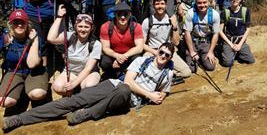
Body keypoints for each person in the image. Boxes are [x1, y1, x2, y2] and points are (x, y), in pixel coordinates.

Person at [2, 43, 175, 132]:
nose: (163, 56)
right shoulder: (142, 60)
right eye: (161, 52)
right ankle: (20, 119)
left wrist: (160, 96)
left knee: (123, 92)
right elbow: (129, 81)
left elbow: (164, 92)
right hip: (114, 86)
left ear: (170, 58)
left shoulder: (168, 73)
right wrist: (149, 95)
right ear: (156, 51)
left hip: (125, 99)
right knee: (74, 101)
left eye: (167, 55)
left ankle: (88, 113)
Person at [24, 0, 74, 75]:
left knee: (57, 41)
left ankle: (58, 67)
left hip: (54, 15)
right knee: (41, 42)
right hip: (35, 14)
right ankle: (43, 70)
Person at [47, 5, 101, 96]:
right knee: (57, 86)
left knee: (88, 86)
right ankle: (74, 94)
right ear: (75, 27)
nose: (83, 30)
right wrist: (59, 17)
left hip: (89, 73)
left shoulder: (96, 44)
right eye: (80, 26)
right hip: (71, 72)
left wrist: (73, 84)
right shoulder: (69, 36)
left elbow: (88, 69)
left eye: (86, 27)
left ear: (91, 28)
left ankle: (82, 95)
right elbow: (51, 38)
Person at [0, 10, 47, 111]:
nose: (19, 25)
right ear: (11, 24)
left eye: (22, 22)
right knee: (5, 101)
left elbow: (32, 64)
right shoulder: (5, 38)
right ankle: (20, 91)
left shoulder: (36, 37)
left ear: (27, 24)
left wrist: (34, 40)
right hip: (14, 71)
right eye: (16, 22)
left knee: (37, 94)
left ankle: (33, 88)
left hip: (34, 71)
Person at [142, 0, 191, 78]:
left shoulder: (171, 19)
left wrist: (175, 27)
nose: (160, 6)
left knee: (186, 72)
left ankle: (163, 73)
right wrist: (155, 52)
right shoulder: (147, 21)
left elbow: (176, 42)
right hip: (152, 51)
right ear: (153, 6)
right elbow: (142, 44)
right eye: (157, 4)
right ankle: (163, 73)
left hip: (168, 51)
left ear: (166, 5)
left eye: (162, 3)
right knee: (144, 69)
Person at [100, 2, 144, 80]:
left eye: (125, 14)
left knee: (138, 59)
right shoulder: (106, 26)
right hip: (113, 56)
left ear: (130, 14)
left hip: (129, 55)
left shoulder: (136, 26)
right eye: (119, 14)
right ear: (115, 14)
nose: (123, 17)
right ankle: (113, 74)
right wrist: (116, 56)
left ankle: (126, 74)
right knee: (104, 62)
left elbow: (139, 47)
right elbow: (105, 48)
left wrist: (123, 57)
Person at [183, 0, 220, 72]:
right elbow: (187, 33)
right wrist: (192, 51)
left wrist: (210, 51)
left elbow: (216, 34)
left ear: (209, 2)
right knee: (192, 69)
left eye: (204, 2)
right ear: (195, 3)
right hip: (193, 41)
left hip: (206, 42)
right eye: (199, 3)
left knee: (210, 67)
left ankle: (204, 56)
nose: (202, 5)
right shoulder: (191, 13)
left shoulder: (214, 15)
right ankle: (192, 55)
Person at [219, 0, 255, 66]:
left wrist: (240, 45)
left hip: (240, 41)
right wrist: (231, 45)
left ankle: (237, 53)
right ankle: (229, 52)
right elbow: (220, 30)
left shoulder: (245, 11)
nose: (234, 0)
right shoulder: (225, 12)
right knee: (228, 63)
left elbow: (248, 28)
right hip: (229, 42)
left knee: (250, 60)